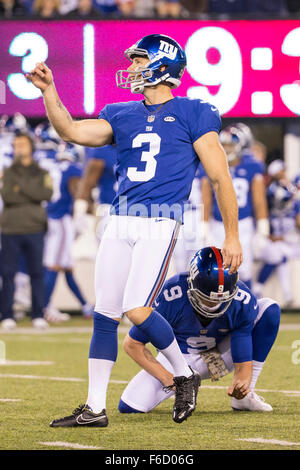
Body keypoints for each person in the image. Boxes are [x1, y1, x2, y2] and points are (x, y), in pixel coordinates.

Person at [27, 33, 242, 426]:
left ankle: (183, 373)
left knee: (136, 309)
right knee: (105, 314)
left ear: (162, 65)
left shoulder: (195, 112)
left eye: (140, 61)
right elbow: (72, 131)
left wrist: (232, 234)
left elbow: (220, 177)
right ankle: (94, 408)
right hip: (119, 218)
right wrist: (49, 91)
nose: (131, 69)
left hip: (160, 220)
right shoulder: (120, 112)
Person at [119, 246, 281, 414]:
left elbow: (242, 341)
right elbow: (132, 344)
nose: (215, 305)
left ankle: (246, 398)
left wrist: (243, 381)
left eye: (222, 299)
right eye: (207, 299)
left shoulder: (242, 299)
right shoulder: (172, 294)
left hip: (219, 355)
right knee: (130, 406)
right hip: (178, 360)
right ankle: (184, 378)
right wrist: (170, 379)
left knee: (268, 309)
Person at [201, 123, 269, 289]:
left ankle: (245, 307)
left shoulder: (252, 165)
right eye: (224, 145)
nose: (227, 149)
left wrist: (262, 227)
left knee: (243, 270)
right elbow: (206, 198)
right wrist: (203, 224)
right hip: (217, 223)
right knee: (214, 269)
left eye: (231, 145)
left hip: (243, 223)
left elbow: (259, 199)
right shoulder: (213, 163)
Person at [0, 133, 53, 330]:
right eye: (15, 145)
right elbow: (7, 196)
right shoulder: (8, 170)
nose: (18, 148)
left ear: (31, 147)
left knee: (36, 272)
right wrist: (30, 193)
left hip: (35, 227)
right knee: (7, 273)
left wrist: (19, 188)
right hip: (10, 228)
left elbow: (45, 194)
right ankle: (7, 314)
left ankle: (38, 314)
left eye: (22, 144)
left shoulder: (41, 172)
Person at [43, 142, 94, 322]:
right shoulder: (72, 169)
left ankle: (85, 305)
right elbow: (76, 190)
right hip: (61, 219)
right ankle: (44, 305)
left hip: (49, 217)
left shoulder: (54, 166)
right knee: (55, 265)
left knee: (66, 266)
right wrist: (86, 208)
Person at [253, 161, 300, 308]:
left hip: (291, 239)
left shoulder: (291, 195)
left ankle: (286, 295)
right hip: (278, 240)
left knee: (281, 257)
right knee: (278, 256)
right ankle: (285, 295)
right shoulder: (272, 193)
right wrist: (269, 234)